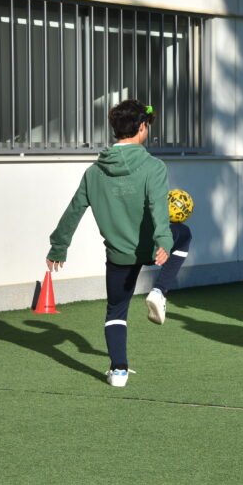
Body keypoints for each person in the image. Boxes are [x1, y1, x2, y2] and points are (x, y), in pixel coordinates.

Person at [46, 99, 172, 387]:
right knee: (185, 234)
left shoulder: (94, 172)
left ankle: (118, 370)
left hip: (119, 254)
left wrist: (58, 246)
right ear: (142, 127)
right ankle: (159, 290)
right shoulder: (154, 167)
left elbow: (73, 211)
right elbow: (158, 209)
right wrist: (163, 240)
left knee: (116, 310)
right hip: (153, 249)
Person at [144, 218, 193, 326]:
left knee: (116, 312)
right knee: (184, 232)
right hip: (150, 249)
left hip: (120, 252)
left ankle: (158, 291)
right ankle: (158, 291)